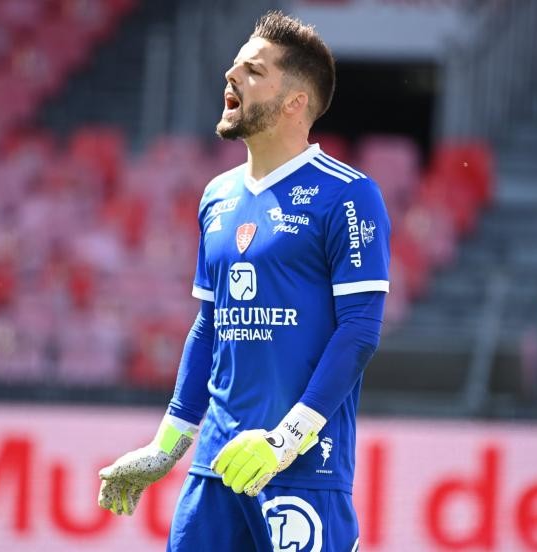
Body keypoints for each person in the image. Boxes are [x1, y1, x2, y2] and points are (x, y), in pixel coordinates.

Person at [98, 10, 390, 551]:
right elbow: (209, 328)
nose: (231, 77)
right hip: (215, 470)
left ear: (294, 102)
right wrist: (165, 448)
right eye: (233, 66)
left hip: (301, 472)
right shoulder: (217, 196)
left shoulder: (348, 196)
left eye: (253, 71)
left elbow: (360, 331)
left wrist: (285, 442)